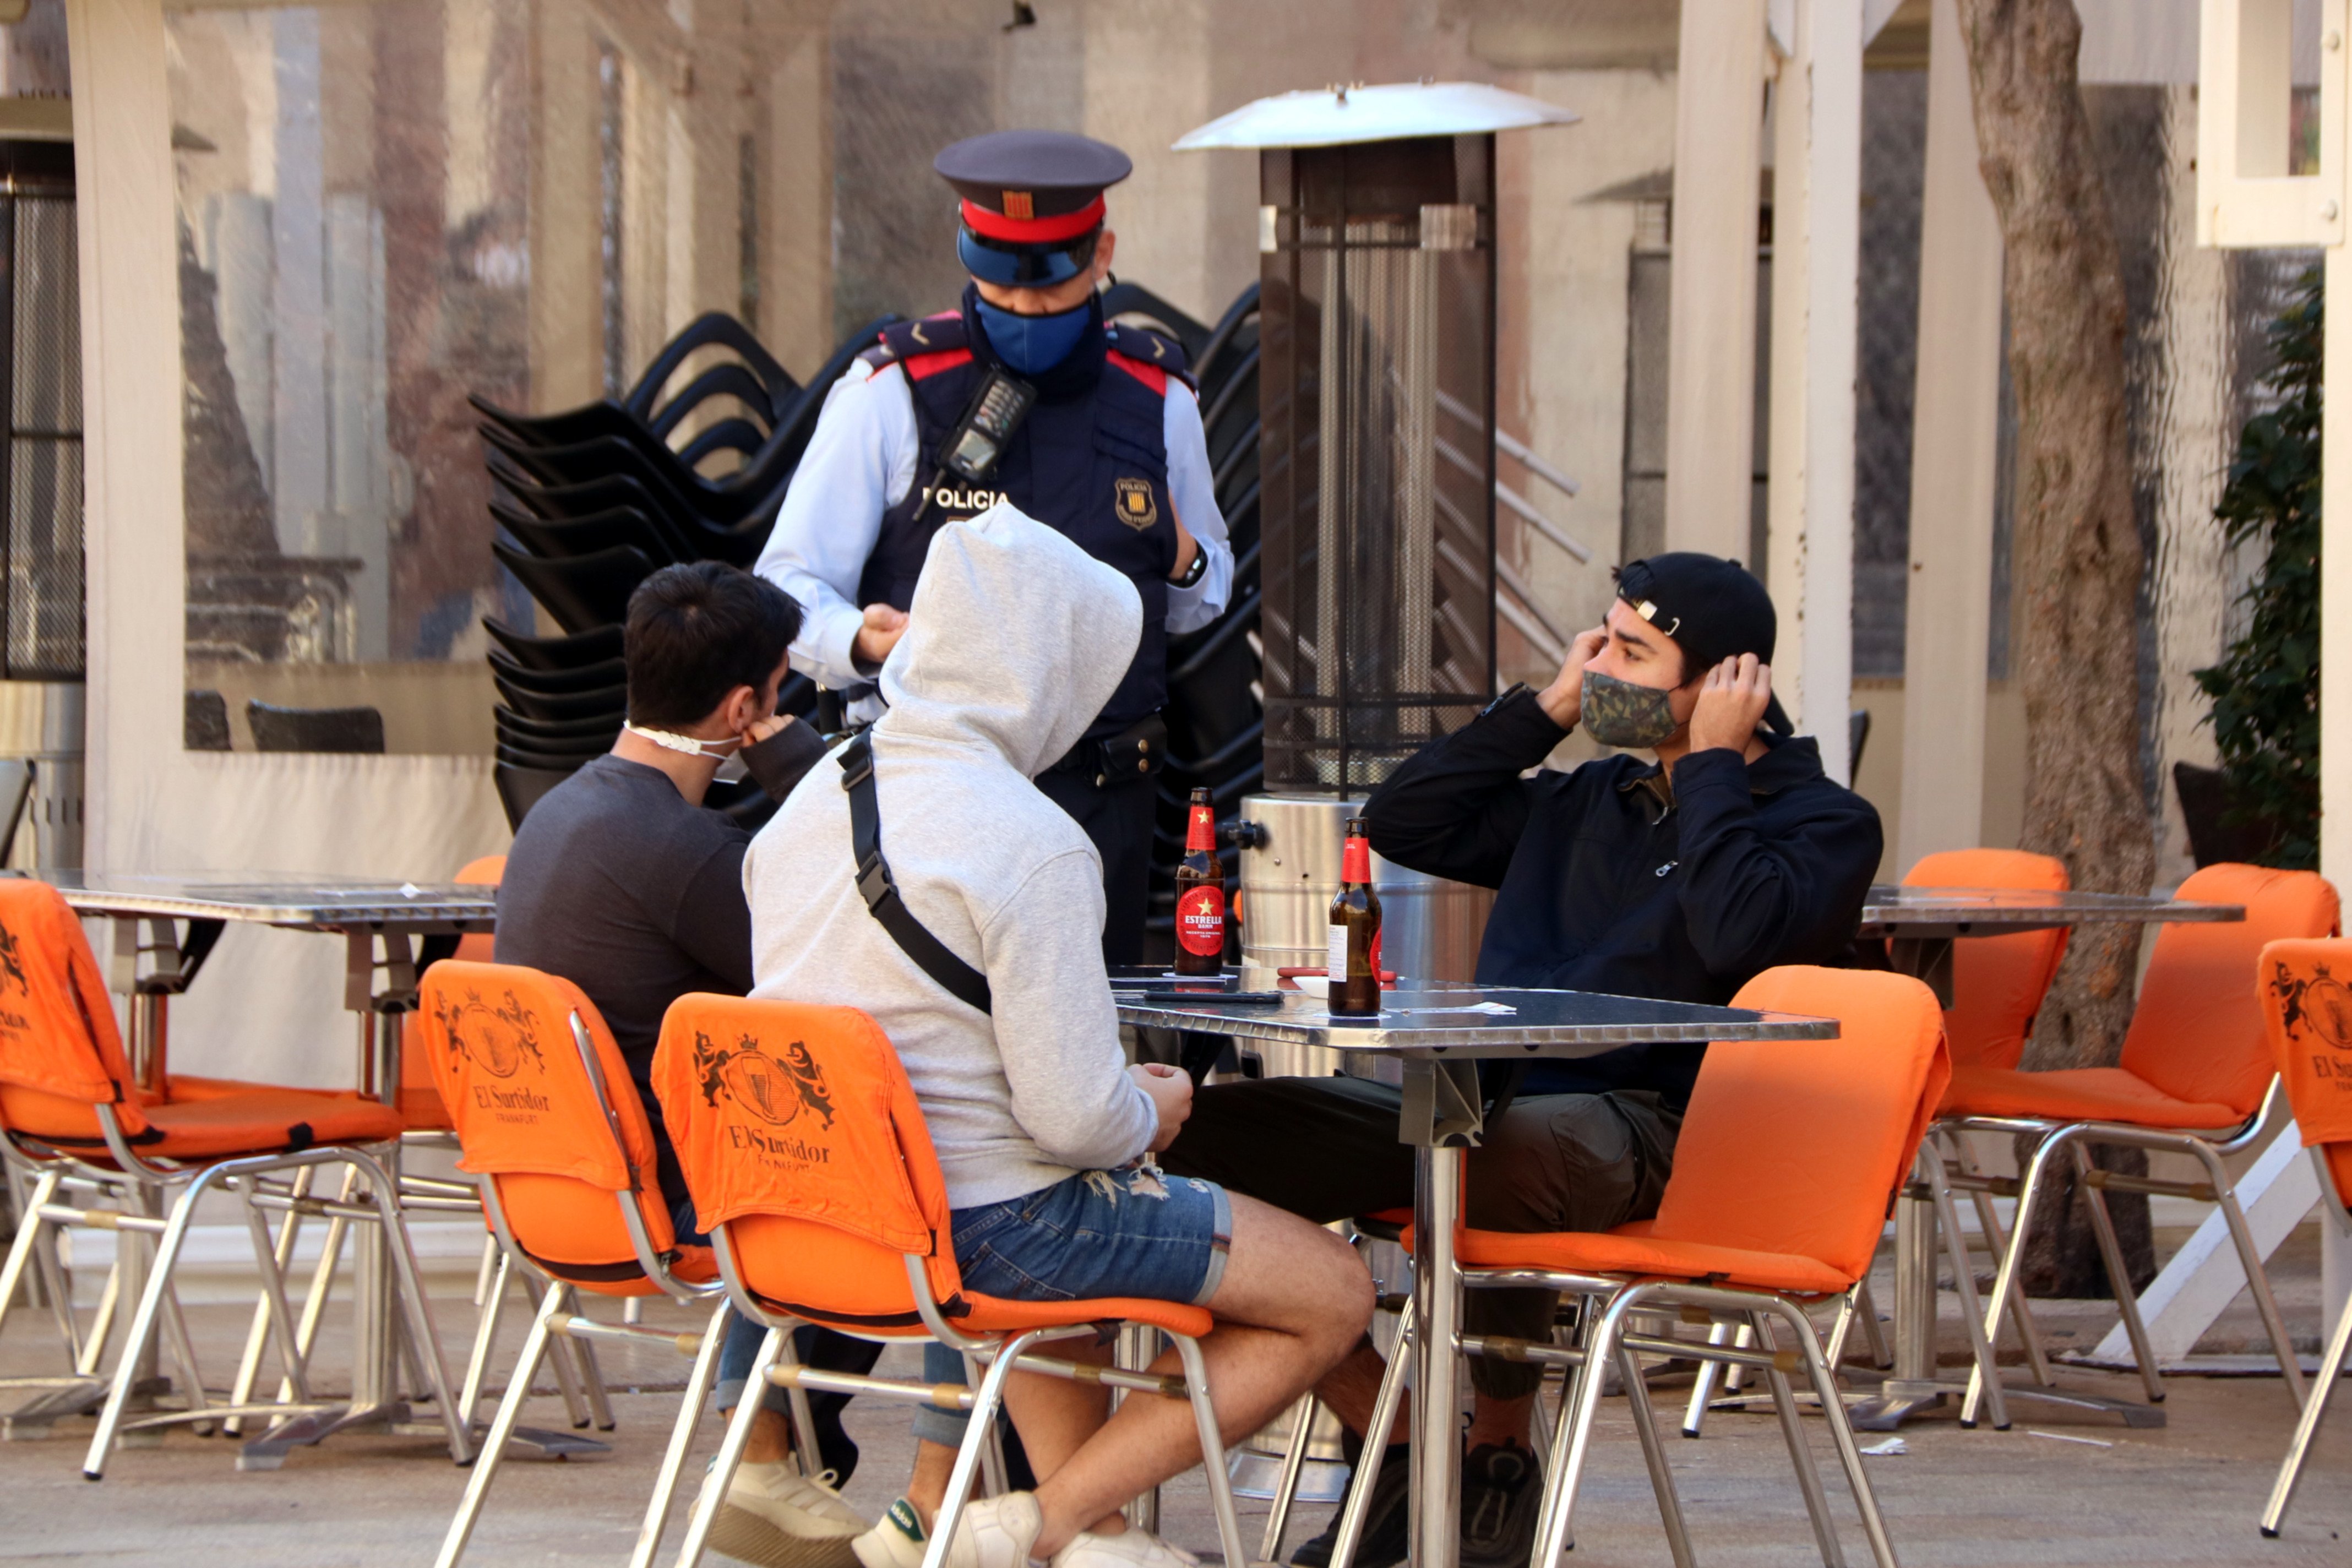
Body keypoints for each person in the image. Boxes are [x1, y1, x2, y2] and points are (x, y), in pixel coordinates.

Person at [1162, 552, 1885, 1568]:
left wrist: (1714, 767)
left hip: (1662, 1125)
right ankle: (1399, 1434)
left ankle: (1499, 1451)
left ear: (1729, 682)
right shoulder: (1588, 796)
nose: (1603, 672)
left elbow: (1737, 935)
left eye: (1633, 653)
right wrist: (1546, 708)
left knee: (1496, 1152)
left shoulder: (1826, 824)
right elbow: (1409, 818)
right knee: (1185, 1149)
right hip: (1476, 1097)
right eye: (1600, 642)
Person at [743, 503, 1371, 1568]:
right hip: (986, 1229)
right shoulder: (1032, 841)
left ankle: (1100, 1538)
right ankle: (1045, 1520)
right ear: (1053, 675)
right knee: (1332, 1292)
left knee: (1065, 1255)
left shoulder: (805, 800)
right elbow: (1080, 1123)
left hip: (807, 1219)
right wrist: (1157, 1107)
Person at [755, 128, 1233, 967]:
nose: (1023, 312)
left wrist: (1181, 549)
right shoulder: (894, 388)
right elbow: (786, 585)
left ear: (1101, 254)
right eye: (1000, 289)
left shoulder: (1156, 394)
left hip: (1103, 791)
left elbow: (1204, 597)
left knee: (1089, 1039)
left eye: (1047, 293)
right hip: (932, 791)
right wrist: (861, 641)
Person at [494, 560, 881, 1568]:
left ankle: (784, 1451)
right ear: (745, 706)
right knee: (890, 1161)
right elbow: (852, 945)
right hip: (669, 1201)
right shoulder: (682, 852)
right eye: (779, 695)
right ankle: (791, 1459)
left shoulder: (560, 810)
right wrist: (793, 756)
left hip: (557, 1190)